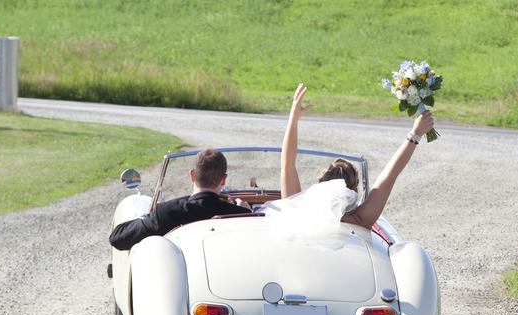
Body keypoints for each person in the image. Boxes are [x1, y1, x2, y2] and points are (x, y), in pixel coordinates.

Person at [280, 83, 435, 229]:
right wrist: (415, 135)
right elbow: (389, 175)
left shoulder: (297, 210)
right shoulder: (361, 219)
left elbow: (287, 166)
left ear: (321, 185)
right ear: (353, 192)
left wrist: (293, 120)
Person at [110, 149, 251, 250]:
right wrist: (245, 212)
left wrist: (146, 217)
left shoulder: (166, 213)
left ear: (192, 175)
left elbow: (117, 238)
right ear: (224, 179)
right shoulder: (240, 215)